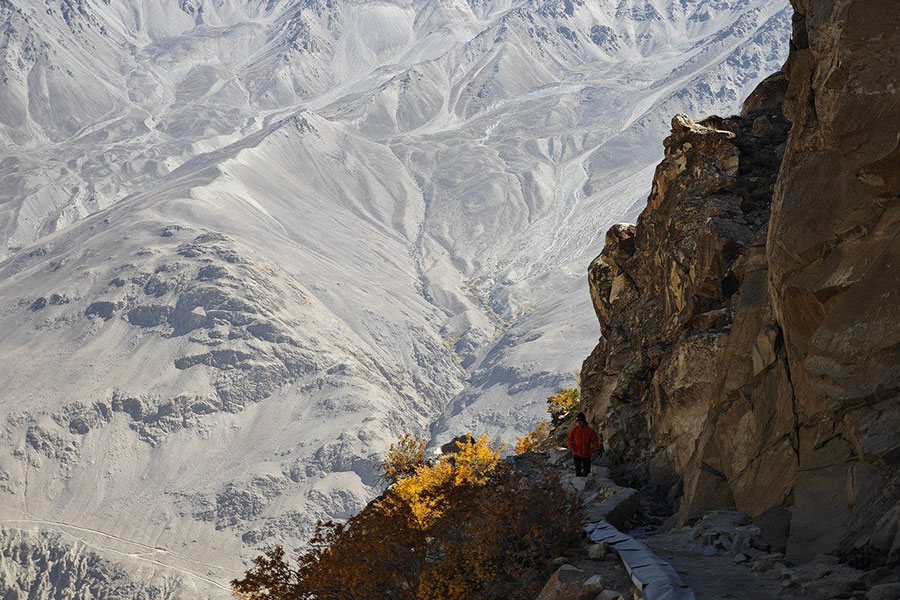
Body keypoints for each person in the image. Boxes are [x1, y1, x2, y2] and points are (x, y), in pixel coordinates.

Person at [567, 412, 600, 477]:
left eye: (580, 421)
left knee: (587, 470)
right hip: (576, 452)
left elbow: (595, 440)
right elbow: (569, 438)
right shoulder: (575, 430)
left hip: (586, 453)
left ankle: (586, 480)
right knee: (577, 469)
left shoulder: (590, 430)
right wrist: (571, 445)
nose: (579, 423)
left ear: (584, 421)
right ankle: (578, 482)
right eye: (578, 421)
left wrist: (597, 448)